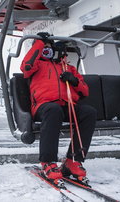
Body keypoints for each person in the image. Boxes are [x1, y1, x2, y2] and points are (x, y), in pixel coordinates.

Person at [20, 32, 97, 185]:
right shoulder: (38, 64)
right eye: (46, 48)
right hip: (44, 106)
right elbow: (26, 66)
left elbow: (85, 92)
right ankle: (48, 161)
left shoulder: (68, 68)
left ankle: (73, 160)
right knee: (53, 109)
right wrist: (40, 43)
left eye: (51, 48)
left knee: (89, 112)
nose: (49, 51)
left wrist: (74, 81)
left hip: (66, 106)